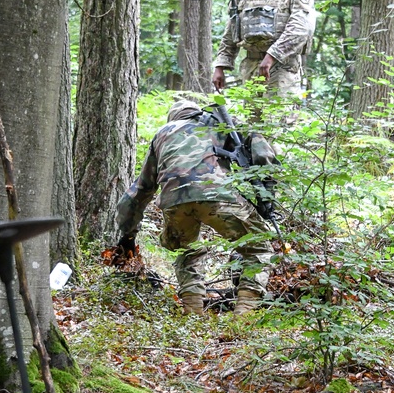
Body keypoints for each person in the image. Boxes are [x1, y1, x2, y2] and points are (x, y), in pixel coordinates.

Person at [114, 97, 276, 315]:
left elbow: (140, 192)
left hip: (173, 201)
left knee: (188, 251)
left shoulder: (162, 134)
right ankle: (244, 314)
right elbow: (261, 149)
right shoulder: (219, 122)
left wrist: (127, 234)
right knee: (258, 247)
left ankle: (193, 313)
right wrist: (268, 193)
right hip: (217, 195)